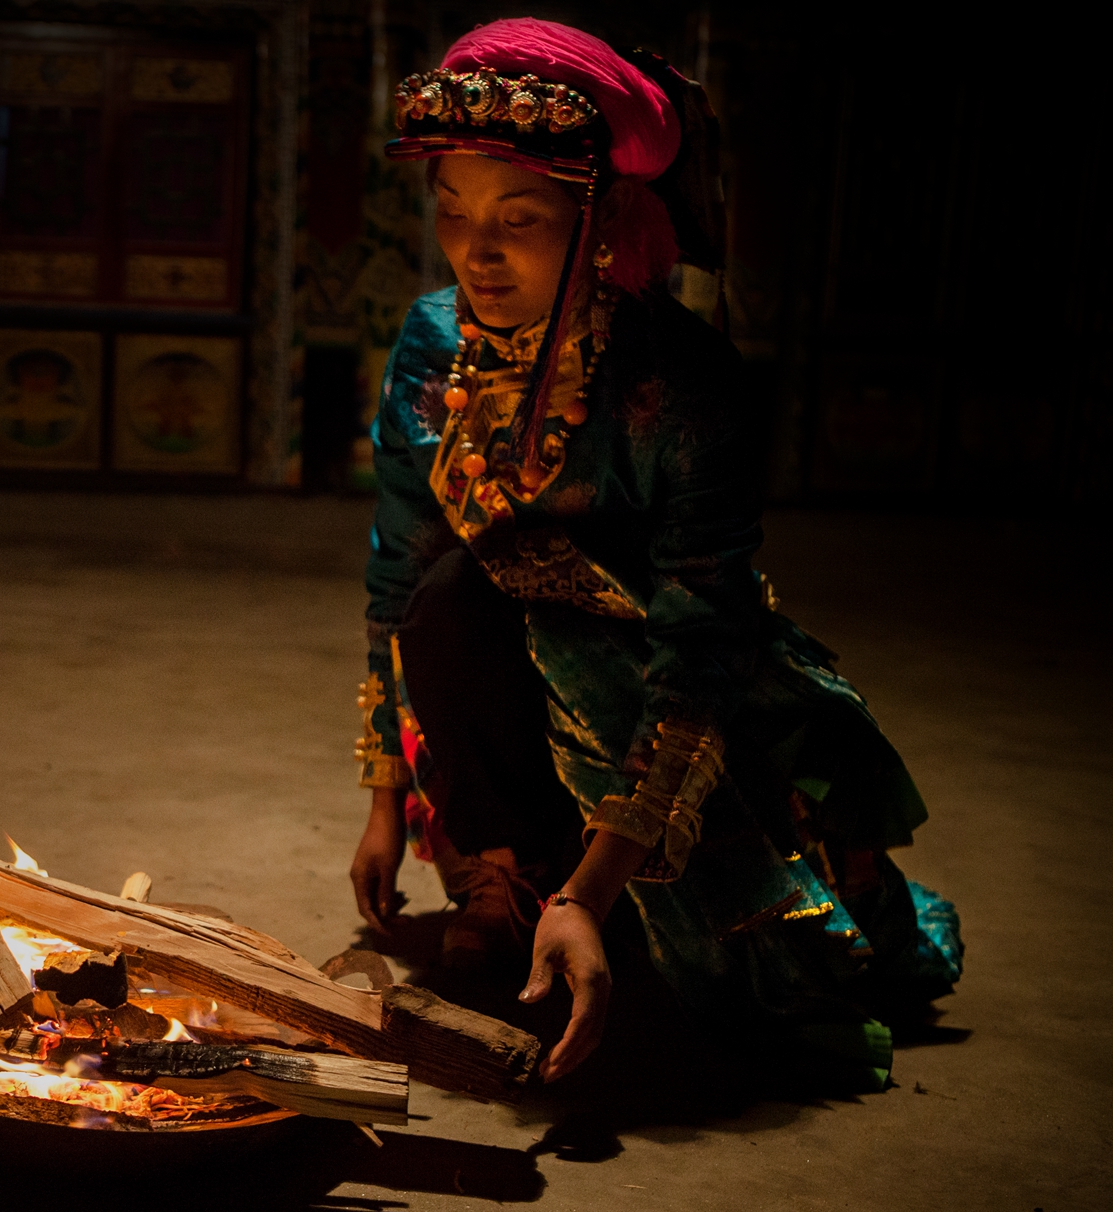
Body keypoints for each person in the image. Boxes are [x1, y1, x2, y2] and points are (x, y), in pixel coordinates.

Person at [346, 18, 961, 1090]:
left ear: (600, 219)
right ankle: (504, 866)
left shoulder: (679, 381)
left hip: (652, 698)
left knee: (745, 1000)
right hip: (491, 679)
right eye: (451, 211)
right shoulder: (432, 343)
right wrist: (385, 800)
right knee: (447, 594)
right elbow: (394, 570)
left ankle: (591, 889)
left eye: (519, 219)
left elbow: (701, 640)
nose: (475, 251)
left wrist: (598, 884)